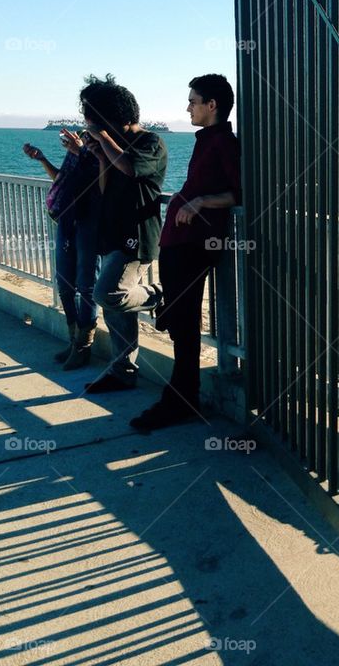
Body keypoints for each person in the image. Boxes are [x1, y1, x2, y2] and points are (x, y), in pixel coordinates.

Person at [130, 74, 240, 431]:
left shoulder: (224, 142)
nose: (188, 107)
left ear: (212, 106)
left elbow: (240, 193)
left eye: (193, 101)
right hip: (180, 244)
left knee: (185, 323)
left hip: (195, 246)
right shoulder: (205, 140)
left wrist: (201, 201)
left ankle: (181, 400)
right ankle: (180, 396)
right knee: (180, 322)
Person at [79, 74, 167, 393]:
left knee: (108, 295)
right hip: (112, 232)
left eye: (100, 123)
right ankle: (122, 371)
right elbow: (104, 186)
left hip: (137, 236)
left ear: (120, 119)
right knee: (115, 312)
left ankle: (161, 294)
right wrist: (101, 155)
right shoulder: (112, 145)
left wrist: (102, 138)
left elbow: (130, 168)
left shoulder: (150, 142)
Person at [23, 129, 101, 369]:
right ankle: (74, 341)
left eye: (88, 135)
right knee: (65, 285)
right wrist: (43, 159)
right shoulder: (76, 155)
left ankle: (83, 348)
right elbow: (61, 179)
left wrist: (84, 151)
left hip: (89, 223)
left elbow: (101, 181)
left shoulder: (100, 153)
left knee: (86, 286)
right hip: (67, 222)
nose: (83, 137)